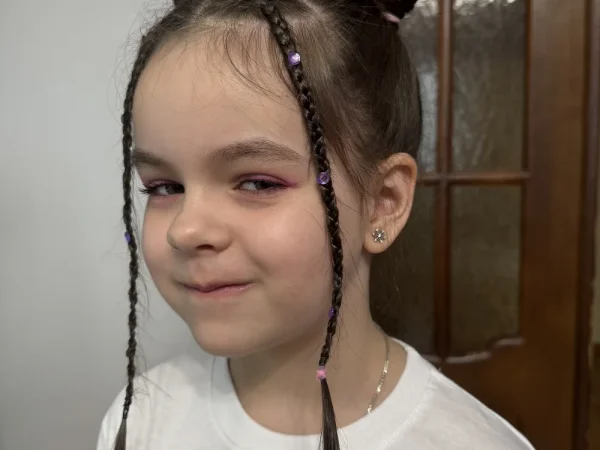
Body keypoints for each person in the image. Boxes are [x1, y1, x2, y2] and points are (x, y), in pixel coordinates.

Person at [97, 1, 535, 449]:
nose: (185, 231)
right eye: (165, 187)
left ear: (382, 203)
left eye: (257, 183)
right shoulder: (142, 420)